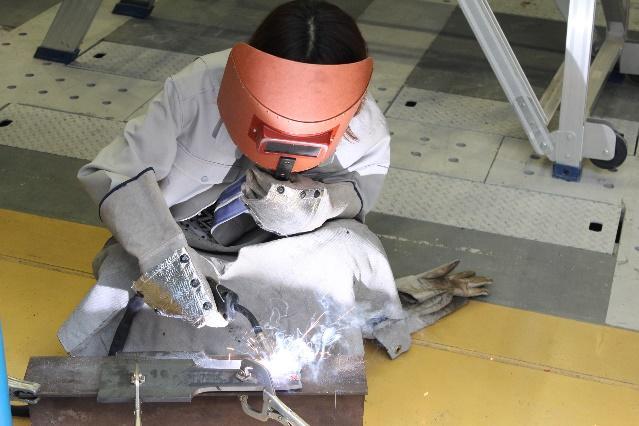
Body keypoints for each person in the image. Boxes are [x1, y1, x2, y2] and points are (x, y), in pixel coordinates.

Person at [58, 0, 490, 363]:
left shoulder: (363, 118)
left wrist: (318, 204)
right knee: (124, 278)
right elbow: (113, 173)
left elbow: (359, 196)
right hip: (184, 245)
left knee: (355, 251)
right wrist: (163, 257)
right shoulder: (195, 90)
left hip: (281, 253)